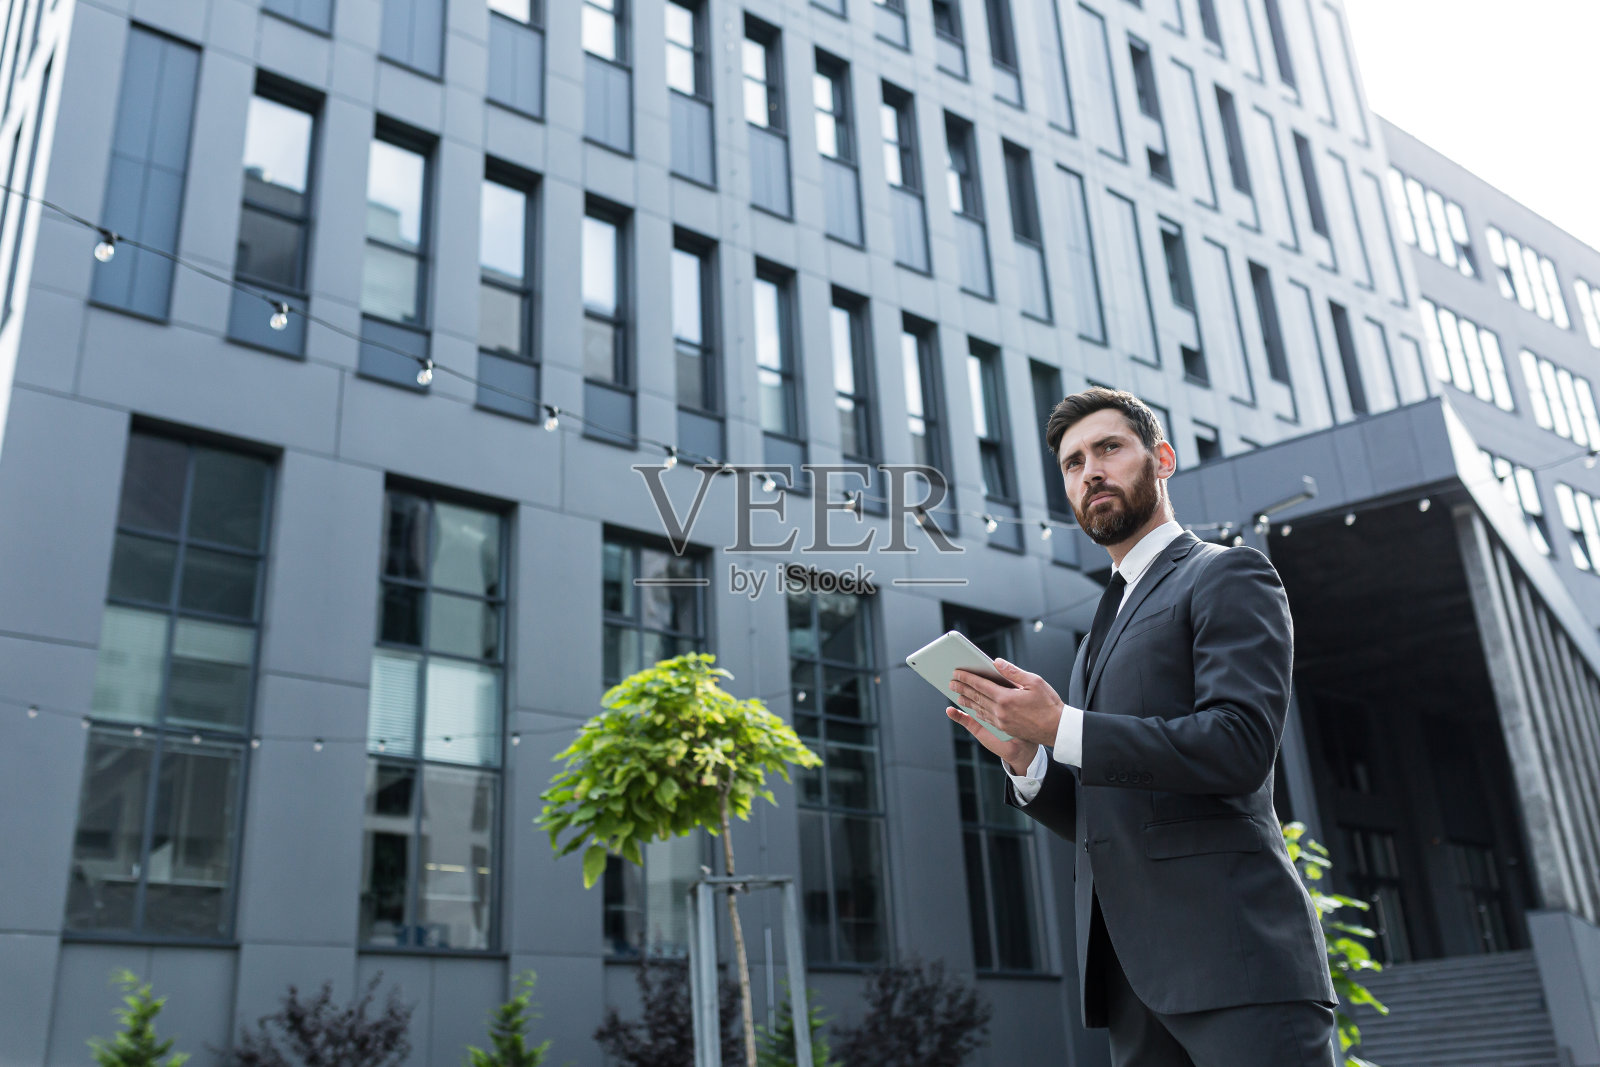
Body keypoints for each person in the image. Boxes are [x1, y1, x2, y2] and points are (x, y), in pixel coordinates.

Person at [946, 387, 1337, 1067]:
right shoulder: (1098, 629)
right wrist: (1028, 760)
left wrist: (1066, 726)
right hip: (1132, 986)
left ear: (1162, 459)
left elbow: (1238, 746)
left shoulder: (1228, 574)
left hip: (1236, 965)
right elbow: (1113, 815)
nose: (1090, 471)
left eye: (1108, 448)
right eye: (1072, 463)